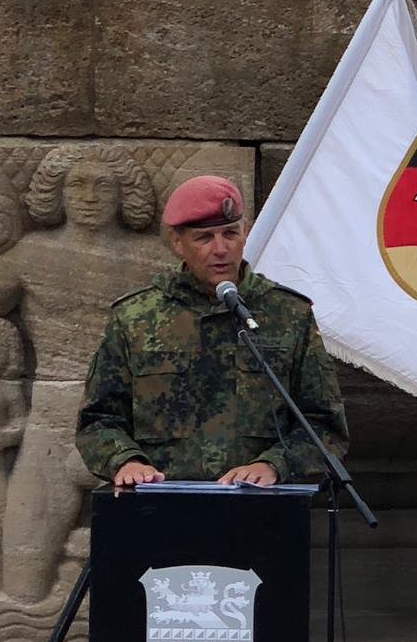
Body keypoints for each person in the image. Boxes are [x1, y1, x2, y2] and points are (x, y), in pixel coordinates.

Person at [75, 175, 349, 487]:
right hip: (161, 502)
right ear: (177, 243)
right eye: (204, 238)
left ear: (245, 232)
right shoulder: (135, 316)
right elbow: (98, 421)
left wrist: (274, 464)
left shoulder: (288, 314)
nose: (221, 249)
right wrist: (125, 461)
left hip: (258, 503)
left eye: (230, 233)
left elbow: (325, 426)